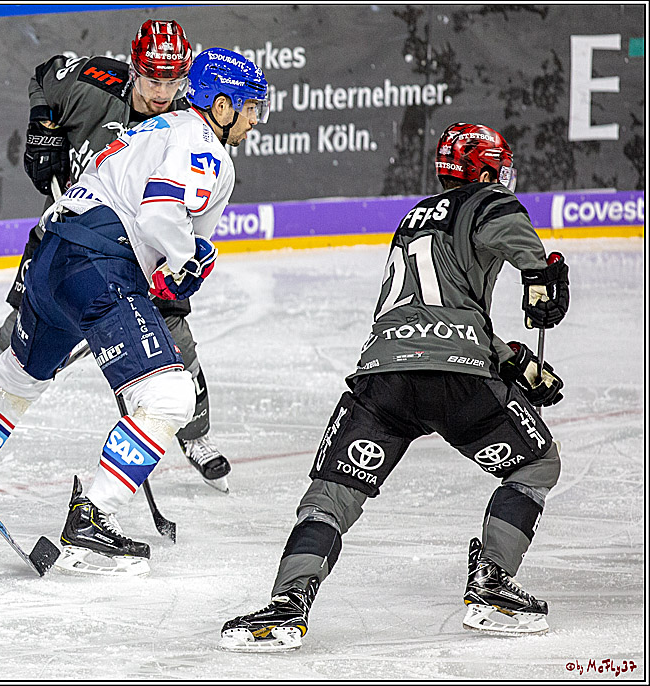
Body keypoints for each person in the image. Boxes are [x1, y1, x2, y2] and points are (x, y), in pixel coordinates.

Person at [220, 122, 571, 651]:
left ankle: (286, 604)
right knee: (536, 463)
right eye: (500, 167)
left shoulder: (413, 220)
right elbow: (510, 233)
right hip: (457, 377)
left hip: (383, 375)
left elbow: (427, 309)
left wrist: (512, 359)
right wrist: (542, 274)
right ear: (484, 171)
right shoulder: (488, 203)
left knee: (330, 496)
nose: (506, 176)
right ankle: (492, 584)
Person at [0, 48, 270, 575]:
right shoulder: (203, 146)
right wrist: (190, 256)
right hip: (99, 266)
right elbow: (159, 212)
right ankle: (93, 516)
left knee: (15, 382)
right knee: (169, 396)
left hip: (51, 257)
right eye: (249, 107)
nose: (255, 119)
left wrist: (168, 264)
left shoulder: (155, 128)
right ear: (221, 107)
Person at [0, 20, 234, 492]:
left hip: (142, 260)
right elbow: (45, 74)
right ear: (133, 67)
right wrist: (44, 126)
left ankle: (196, 436)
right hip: (73, 238)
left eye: (173, 81)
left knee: (176, 350)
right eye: (153, 79)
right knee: (11, 352)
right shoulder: (94, 82)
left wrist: (178, 263)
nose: (163, 93)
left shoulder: (185, 122)